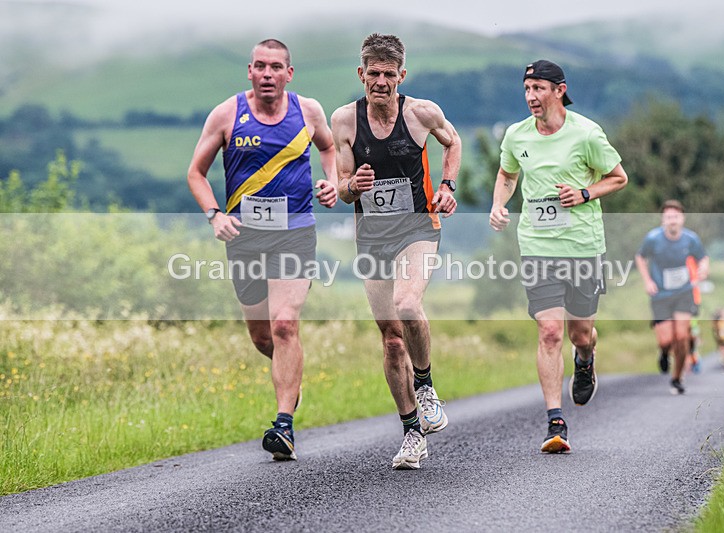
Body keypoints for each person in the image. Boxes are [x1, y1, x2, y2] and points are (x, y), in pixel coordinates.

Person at [187, 39, 338, 461]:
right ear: (249, 72)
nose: (268, 74)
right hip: (244, 237)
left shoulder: (308, 111)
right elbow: (196, 174)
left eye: (276, 67)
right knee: (262, 337)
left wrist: (331, 181)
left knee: (285, 324)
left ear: (290, 74)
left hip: (295, 231)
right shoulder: (226, 114)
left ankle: (284, 424)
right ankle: (289, 375)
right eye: (260, 67)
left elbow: (328, 148)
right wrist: (215, 214)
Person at [331, 33, 461, 469]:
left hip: (418, 227)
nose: (381, 82)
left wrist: (447, 186)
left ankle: (424, 385)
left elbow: (453, 142)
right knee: (390, 341)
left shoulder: (422, 113)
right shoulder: (345, 121)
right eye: (373, 74)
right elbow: (344, 188)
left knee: (408, 304)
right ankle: (411, 434)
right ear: (361, 74)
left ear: (401, 75)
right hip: (372, 236)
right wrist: (352, 186)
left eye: (389, 75)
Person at [489, 60, 628, 454]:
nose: (532, 96)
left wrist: (585, 194)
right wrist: (499, 204)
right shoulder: (517, 135)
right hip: (537, 246)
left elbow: (619, 177)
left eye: (539, 88)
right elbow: (507, 174)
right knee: (549, 331)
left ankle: (585, 357)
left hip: (582, 246)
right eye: (527, 88)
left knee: (578, 333)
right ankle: (556, 421)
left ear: (559, 90)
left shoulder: (586, 133)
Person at [635, 200, 709, 395]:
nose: (672, 221)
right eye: (668, 217)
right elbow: (640, 257)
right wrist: (647, 281)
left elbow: (703, 257)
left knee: (682, 336)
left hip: (683, 292)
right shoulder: (653, 238)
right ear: (663, 220)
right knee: (666, 340)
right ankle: (664, 353)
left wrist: (703, 268)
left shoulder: (691, 239)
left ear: (682, 219)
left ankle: (677, 378)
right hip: (660, 295)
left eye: (675, 217)